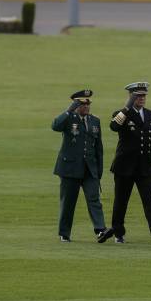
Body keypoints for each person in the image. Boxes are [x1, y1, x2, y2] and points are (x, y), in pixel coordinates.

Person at [98, 82, 151, 245]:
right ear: (131, 97)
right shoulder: (121, 114)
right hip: (125, 166)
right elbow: (114, 126)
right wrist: (127, 107)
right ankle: (118, 232)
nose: (142, 98)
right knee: (121, 200)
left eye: (143, 95)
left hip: (145, 166)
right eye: (138, 96)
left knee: (149, 199)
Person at [51, 89, 106, 242]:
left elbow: (98, 148)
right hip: (70, 168)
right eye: (83, 104)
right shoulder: (69, 118)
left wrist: (99, 170)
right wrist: (69, 110)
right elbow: (55, 125)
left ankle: (101, 230)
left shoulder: (95, 121)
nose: (87, 106)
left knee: (94, 200)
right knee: (68, 202)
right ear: (76, 105)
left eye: (88, 103)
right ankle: (64, 233)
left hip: (89, 168)